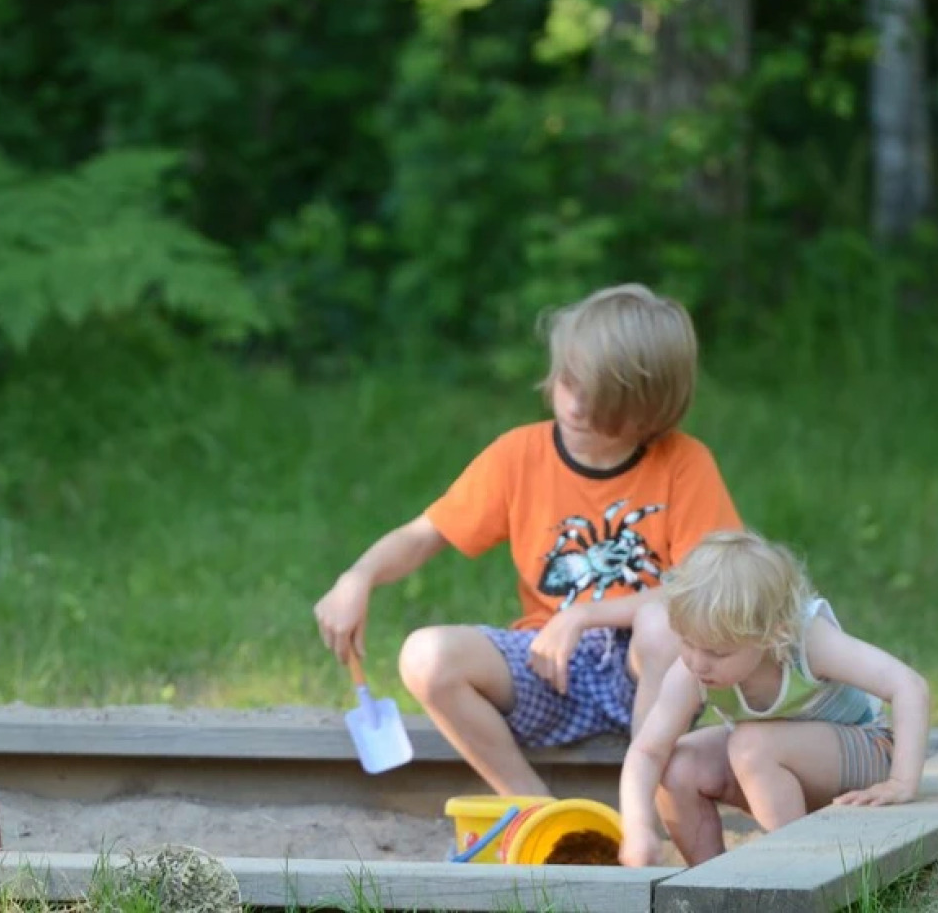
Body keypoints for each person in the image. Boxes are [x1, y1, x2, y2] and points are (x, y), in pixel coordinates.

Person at [313, 283, 741, 796]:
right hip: (549, 668)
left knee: (663, 625)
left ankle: (644, 802)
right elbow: (424, 535)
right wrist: (358, 577)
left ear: (648, 407)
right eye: (568, 381)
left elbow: (706, 590)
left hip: (651, 676)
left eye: (597, 397)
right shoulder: (519, 456)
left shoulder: (684, 465)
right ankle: (535, 810)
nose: (574, 406)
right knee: (426, 655)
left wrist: (583, 615)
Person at [618, 530, 930, 867]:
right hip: (776, 770)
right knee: (678, 765)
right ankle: (711, 878)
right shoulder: (692, 670)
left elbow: (909, 686)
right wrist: (637, 828)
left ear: (772, 634)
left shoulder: (808, 642)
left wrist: (901, 782)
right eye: (687, 642)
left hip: (864, 753)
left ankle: (795, 872)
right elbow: (647, 751)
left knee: (750, 745)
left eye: (717, 652)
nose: (697, 662)